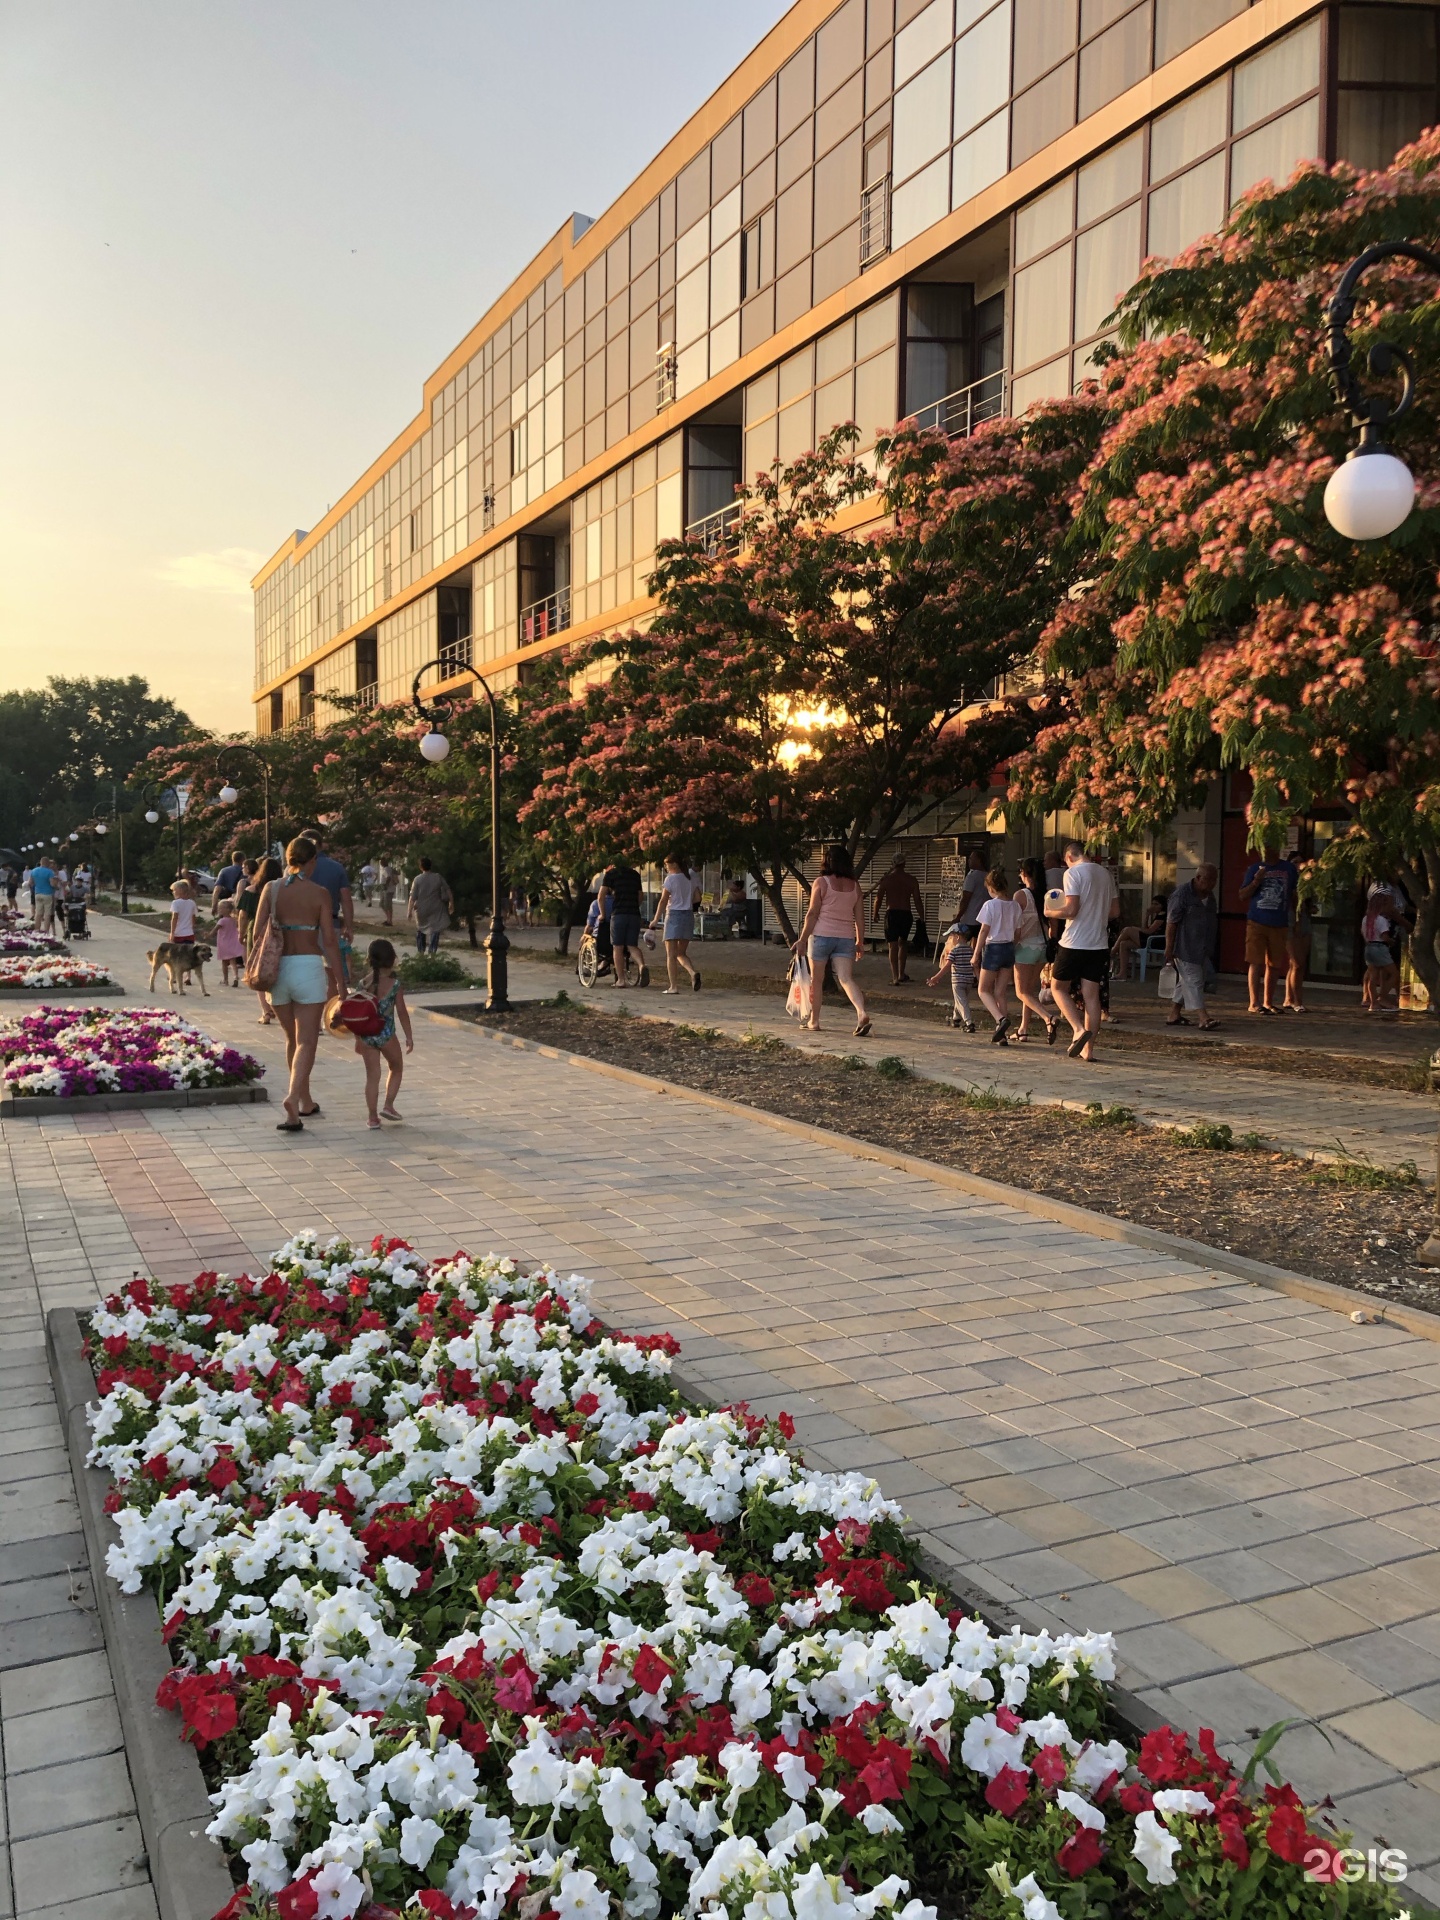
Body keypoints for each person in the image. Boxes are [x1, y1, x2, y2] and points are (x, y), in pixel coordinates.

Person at [249, 836, 343, 1132]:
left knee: (292, 1040)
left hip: (279, 971)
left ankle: (303, 1103)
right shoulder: (319, 893)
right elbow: (328, 940)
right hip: (308, 967)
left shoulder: (270, 888)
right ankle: (292, 1098)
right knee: (307, 1041)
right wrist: (341, 982)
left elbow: (256, 934)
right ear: (312, 860)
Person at [793, 844, 870, 1037]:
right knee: (845, 978)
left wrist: (802, 939)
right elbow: (859, 917)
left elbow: (812, 914)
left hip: (821, 936)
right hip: (845, 938)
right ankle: (861, 1013)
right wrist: (860, 941)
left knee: (816, 981)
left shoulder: (821, 882)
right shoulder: (855, 886)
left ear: (828, 861)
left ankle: (814, 1021)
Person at [1050, 841, 1115, 1062]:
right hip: (1099, 943)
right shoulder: (1105, 875)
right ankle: (1089, 1050)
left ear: (1069, 857)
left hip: (1074, 941)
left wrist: (1050, 910)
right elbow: (1115, 911)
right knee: (1092, 997)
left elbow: (1072, 909)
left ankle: (1077, 1029)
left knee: (1057, 987)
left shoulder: (1072, 873)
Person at [352, 938, 413, 1128]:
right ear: (393, 959)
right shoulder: (395, 985)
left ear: (369, 960)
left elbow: (356, 1012)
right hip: (386, 1034)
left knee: (372, 1076)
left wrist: (357, 1039)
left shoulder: (362, 984)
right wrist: (409, 1036)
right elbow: (402, 1012)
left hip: (367, 1036)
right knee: (396, 1068)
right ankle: (388, 1105)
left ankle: (372, 1118)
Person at [1239, 843, 1299, 1015]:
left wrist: (1296, 918)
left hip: (1279, 922)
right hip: (1257, 921)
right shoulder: (1254, 868)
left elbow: (1293, 894)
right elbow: (1242, 895)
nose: (1265, 850)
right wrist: (1257, 880)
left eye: (1269, 846)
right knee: (1256, 962)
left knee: (1274, 964)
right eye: (1262, 847)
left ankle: (1268, 1002)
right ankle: (1254, 1002)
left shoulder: (1288, 869)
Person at [1164, 864, 1221, 1030]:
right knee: (1194, 980)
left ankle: (1174, 1014)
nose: (1211, 884)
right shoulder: (1181, 895)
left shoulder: (1210, 898)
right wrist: (1169, 947)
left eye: (1214, 880)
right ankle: (1203, 1017)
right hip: (1184, 947)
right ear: (1198, 878)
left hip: (1202, 947)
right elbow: (1171, 922)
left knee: (1187, 981)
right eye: (1207, 879)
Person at [970, 868, 1023, 1043]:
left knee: (983, 990)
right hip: (1008, 947)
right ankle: (1002, 1035)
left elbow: (984, 930)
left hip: (993, 948)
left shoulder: (990, 905)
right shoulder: (1015, 905)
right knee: (1000, 992)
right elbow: (1018, 932)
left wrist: (976, 954)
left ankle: (1000, 1019)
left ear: (991, 888)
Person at [304, 828, 354, 982]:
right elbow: (345, 898)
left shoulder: (295, 870)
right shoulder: (336, 867)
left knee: (308, 969)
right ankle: (332, 1001)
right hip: (332, 924)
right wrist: (349, 927)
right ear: (321, 844)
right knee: (332, 968)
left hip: (303, 925)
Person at [650, 853, 701, 993]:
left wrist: (655, 919)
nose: (666, 867)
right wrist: (685, 901)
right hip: (688, 915)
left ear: (674, 864)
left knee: (671, 955)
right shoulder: (690, 877)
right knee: (681, 953)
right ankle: (692, 973)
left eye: (667, 864)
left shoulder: (670, 879)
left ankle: (673, 986)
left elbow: (663, 900)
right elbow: (697, 898)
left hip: (673, 915)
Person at [1012, 857, 1051, 1040]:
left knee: (1021, 992)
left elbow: (1016, 927)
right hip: (1042, 947)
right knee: (1029, 991)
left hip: (1024, 947)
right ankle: (1023, 1028)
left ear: (1025, 874)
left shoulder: (1021, 896)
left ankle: (1048, 1017)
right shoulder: (1048, 895)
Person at [871, 854, 925, 985]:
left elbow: (878, 898)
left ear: (892, 864)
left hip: (892, 914)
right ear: (904, 864)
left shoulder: (887, 880)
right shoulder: (911, 880)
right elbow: (917, 900)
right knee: (903, 943)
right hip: (906, 914)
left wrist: (875, 913)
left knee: (892, 945)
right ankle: (901, 974)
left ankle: (895, 977)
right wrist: (921, 915)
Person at [237, 857, 278, 1024]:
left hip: (257, 928)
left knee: (256, 971)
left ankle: (266, 1011)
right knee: (275, 967)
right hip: (276, 930)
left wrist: (241, 932)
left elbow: (243, 914)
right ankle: (276, 1005)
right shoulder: (280, 889)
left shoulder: (252, 890)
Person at [598, 855, 645, 988]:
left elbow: (601, 896)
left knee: (617, 947)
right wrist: (635, 906)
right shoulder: (635, 875)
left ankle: (621, 980)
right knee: (631, 946)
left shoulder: (610, 874)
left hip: (618, 914)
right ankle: (642, 966)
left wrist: (602, 914)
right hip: (634, 914)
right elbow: (640, 895)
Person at [927, 921, 977, 1030]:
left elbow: (947, 966)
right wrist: (977, 977)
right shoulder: (971, 950)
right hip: (969, 980)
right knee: (960, 1000)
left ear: (957, 937)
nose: (949, 940)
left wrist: (936, 977)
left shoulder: (954, 951)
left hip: (958, 981)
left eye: (950, 937)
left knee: (961, 1001)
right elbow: (975, 965)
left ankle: (969, 1023)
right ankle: (956, 1018)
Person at [1362, 887, 1401, 1014]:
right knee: (1394, 973)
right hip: (1380, 947)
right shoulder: (1381, 920)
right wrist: (1390, 941)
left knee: (1373, 976)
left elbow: (1363, 934)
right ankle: (1382, 997)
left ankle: (1373, 1003)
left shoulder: (1366, 919)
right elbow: (1384, 936)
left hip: (1369, 947)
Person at [407, 856, 454, 955]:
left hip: (421, 908)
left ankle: (421, 952)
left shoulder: (417, 879)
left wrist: (409, 911)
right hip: (435, 907)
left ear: (420, 867)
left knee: (421, 929)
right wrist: (451, 903)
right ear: (430, 866)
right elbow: (448, 890)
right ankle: (432, 951)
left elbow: (412, 897)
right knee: (435, 929)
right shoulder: (437, 877)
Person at [1285, 896, 1314, 1013]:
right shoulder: (1294, 879)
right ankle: (1297, 1001)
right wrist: (1297, 920)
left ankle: (1289, 998)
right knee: (1296, 963)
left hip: (1305, 917)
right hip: (1292, 917)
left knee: (1297, 964)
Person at [957, 850, 990, 941]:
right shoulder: (989, 876)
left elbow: (966, 898)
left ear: (979, 861)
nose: (969, 861)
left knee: (962, 943)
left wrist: (958, 916)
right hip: (984, 919)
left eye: (971, 859)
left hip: (970, 919)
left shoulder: (972, 876)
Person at [214, 898, 246, 986]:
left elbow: (214, 931)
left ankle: (225, 980)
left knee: (224, 963)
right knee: (233, 962)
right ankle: (235, 977)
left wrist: (208, 935)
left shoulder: (222, 921)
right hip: (232, 943)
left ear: (227, 910)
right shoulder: (234, 920)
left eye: (220, 908)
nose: (219, 910)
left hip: (223, 943)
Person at [168, 878, 198, 948]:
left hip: (178, 934)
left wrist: (172, 933)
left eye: (174, 890)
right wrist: (191, 928)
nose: (173, 892)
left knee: (178, 955)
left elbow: (174, 918)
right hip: (189, 934)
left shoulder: (175, 903)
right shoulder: (192, 903)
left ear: (180, 891)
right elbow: (193, 918)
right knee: (188, 954)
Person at [30, 858, 55, 932]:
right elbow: (52, 884)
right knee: (47, 914)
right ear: (47, 863)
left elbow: (30, 882)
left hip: (37, 893)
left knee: (38, 913)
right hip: (47, 894)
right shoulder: (50, 872)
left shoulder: (34, 871)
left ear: (40, 862)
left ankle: (37, 930)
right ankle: (46, 931)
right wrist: (56, 886)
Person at [377, 859, 399, 927]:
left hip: (388, 890)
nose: (381, 863)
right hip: (386, 890)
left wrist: (386, 886)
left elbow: (388, 877)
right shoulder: (388, 869)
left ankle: (389, 920)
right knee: (382, 904)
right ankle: (388, 919)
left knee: (387, 905)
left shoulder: (386, 869)